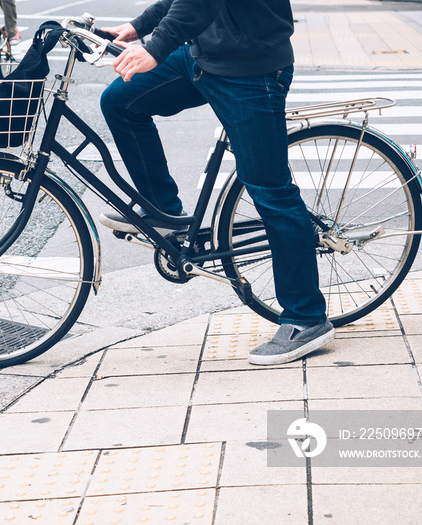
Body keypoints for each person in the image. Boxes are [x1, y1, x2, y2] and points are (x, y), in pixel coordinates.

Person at [98, 0, 335, 366]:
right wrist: (139, 26)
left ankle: (306, 317)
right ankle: (162, 209)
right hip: (205, 56)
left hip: (251, 70)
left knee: (270, 191)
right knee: (121, 101)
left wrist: (155, 46)